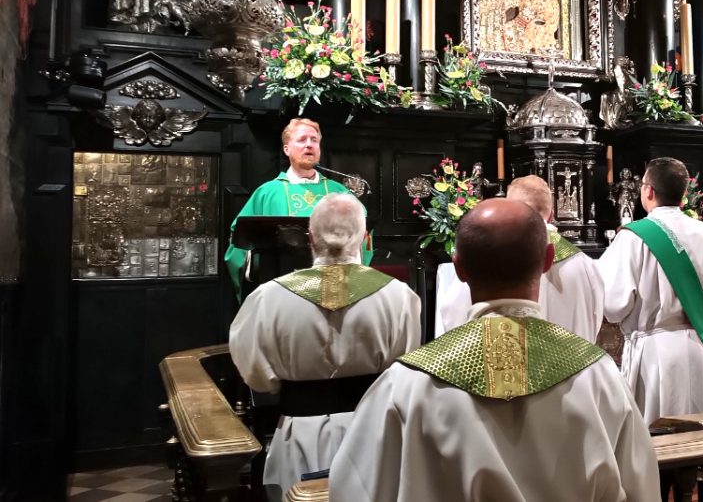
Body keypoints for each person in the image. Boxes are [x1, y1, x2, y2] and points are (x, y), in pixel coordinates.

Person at [329, 199, 659, 501]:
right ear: (547, 260)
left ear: (458, 268)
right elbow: (641, 488)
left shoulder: (406, 384)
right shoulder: (598, 374)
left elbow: (355, 488)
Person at [229, 193, 420, 502]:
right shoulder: (398, 296)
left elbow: (256, 374)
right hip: (373, 432)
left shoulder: (267, 298)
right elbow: (405, 368)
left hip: (300, 433)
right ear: (365, 239)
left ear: (309, 237)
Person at [597, 157, 703, 423]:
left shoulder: (633, 237)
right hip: (702, 350)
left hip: (655, 359)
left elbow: (613, 306)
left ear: (648, 191)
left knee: (658, 441)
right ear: (683, 193)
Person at [437, 175, 605, 341]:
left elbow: (453, 314)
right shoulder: (584, 264)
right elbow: (596, 315)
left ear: (508, 208)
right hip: (574, 357)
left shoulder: (489, 251)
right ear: (551, 215)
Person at [223, 118, 373, 300]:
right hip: (281, 286)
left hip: (332, 287)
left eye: (314, 140)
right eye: (302, 139)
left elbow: (363, 234)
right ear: (287, 149)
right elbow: (239, 242)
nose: (309, 144)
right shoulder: (267, 193)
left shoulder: (339, 193)